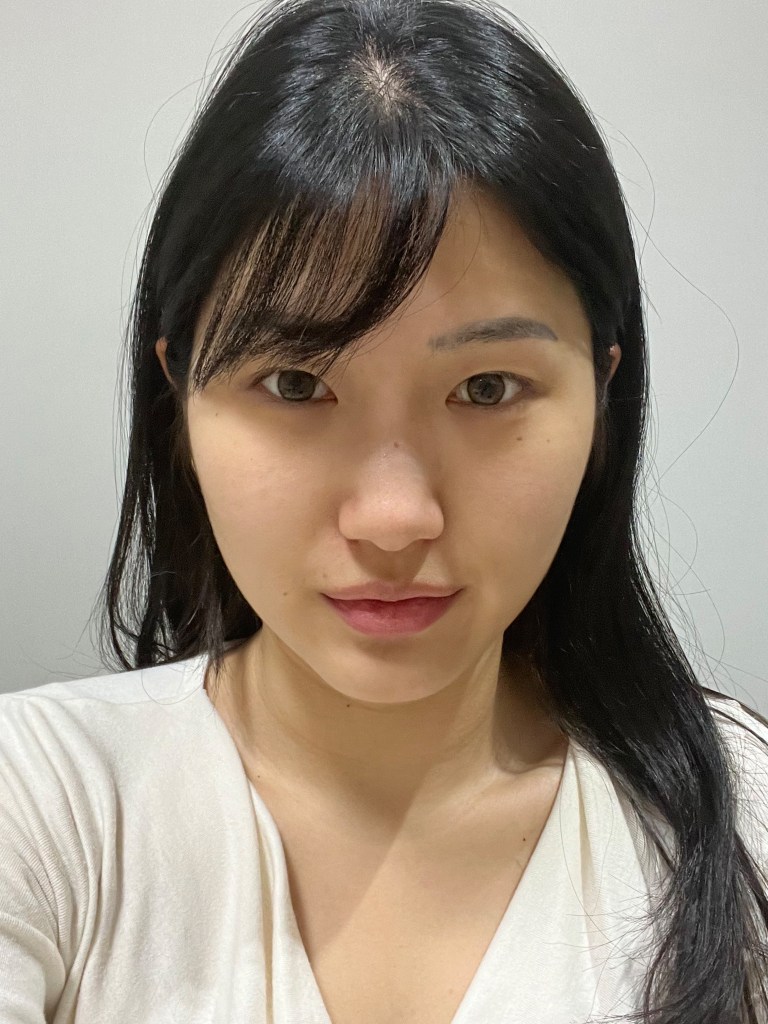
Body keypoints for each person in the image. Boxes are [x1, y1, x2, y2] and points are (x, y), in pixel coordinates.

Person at [1, 0, 766, 1021]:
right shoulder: (40, 804)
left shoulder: (739, 816)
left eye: (488, 388)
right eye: (295, 384)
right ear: (179, 394)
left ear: (601, 397)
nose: (396, 518)